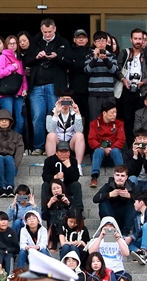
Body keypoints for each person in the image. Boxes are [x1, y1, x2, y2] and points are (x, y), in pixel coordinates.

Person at [25, 18, 75, 155]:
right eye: (45, 32)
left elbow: (71, 63)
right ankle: (38, 147)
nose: (47, 34)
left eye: (49, 31)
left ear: (55, 29)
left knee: (55, 116)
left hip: (55, 86)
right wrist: (37, 57)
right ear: (41, 30)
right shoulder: (34, 41)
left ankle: (54, 147)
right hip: (36, 86)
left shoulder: (63, 42)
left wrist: (56, 57)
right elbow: (25, 60)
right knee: (37, 117)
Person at [0, 109, 24, 197]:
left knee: (9, 158)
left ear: (10, 122)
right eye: (1, 120)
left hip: (11, 163)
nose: (4, 121)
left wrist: (16, 165)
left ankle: (10, 187)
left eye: (6, 120)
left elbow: (19, 152)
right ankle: (1, 187)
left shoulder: (17, 136)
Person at [87, 101, 125, 185]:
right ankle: (94, 177)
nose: (114, 115)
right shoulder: (94, 124)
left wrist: (111, 148)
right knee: (98, 151)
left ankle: (122, 175)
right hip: (99, 154)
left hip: (113, 154)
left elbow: (121, 140)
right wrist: (102, 148)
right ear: (104, 113)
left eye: (115, 112)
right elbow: (91, 139)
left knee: (116, 151)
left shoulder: (119, 123)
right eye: (112, 113)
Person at [45, 91, 86, 164]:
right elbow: (50, 130)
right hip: (58, 142)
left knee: (79, 135)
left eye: (68, 100)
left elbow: (79, 130)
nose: (65, 102)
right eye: (63, 99)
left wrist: (77, 113)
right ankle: (51, 165)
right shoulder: (51, 112)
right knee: (50, 135)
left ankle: (78, 165)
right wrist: (56, 114)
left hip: (70, 143)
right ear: (58, 100)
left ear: (72, 101)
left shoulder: (75, 112)